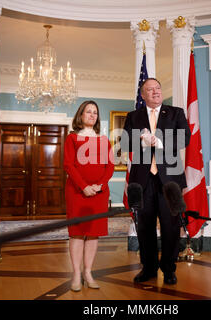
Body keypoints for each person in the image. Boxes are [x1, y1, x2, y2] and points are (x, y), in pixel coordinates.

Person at [120, 78, 191, 285]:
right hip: (143, 180)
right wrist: (141, 140)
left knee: (170, 225)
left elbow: (185, 138)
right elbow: (124, 142)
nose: (155, 92)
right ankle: (148, 268)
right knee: (145, 227)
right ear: (142, 95)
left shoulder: (176, 112)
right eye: (150, 89)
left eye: (158, 88)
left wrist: (159, 141)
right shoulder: (134, 116)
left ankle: (169, 269)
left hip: (169, 179)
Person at [64, 100, 114, 292]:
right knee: (76, 233)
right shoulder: (72, 138)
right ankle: (76, 274)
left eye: (95, 112)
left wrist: (99, 185)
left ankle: (88, 272)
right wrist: (84, 186)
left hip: (99, 193)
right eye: (88, 112)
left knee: (93, 234)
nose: (92, 115)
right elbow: (69, 165)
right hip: (77, 192)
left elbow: (109, 166)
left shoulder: (103, 139)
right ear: (81, 115)